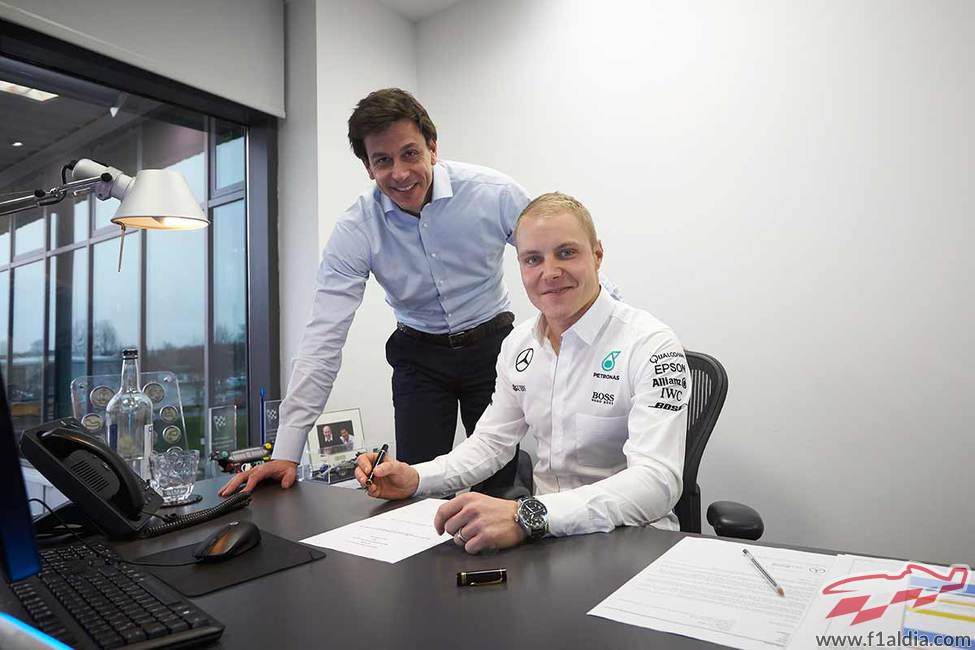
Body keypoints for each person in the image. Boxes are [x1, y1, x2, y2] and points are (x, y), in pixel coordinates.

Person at [220, 88, 530, 497]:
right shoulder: (357, 227)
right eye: (383, 161)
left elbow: (557, 256)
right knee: (414, 488)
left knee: (500, 489)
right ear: (368, 167)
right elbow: (322, 338)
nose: (400, 173)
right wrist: (287, 451)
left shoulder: (492, 193)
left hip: (492, 347)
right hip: (420, 359)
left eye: (410, 154)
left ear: (433, 148)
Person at [353, 192, 690, 553]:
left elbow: (657, 482)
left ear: (597, 255)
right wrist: (416, 477)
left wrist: (528, 515)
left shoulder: (650, 345)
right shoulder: (518, 344)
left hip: (632, 541)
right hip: (544, 540)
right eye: (533, 259)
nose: (550, 272)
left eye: (566, 252)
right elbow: (491, 443)